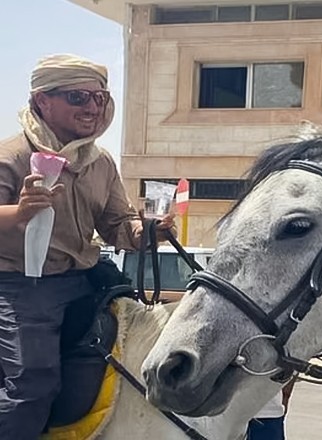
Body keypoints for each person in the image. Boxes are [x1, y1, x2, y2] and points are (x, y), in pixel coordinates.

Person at [0, 54, 174, 439]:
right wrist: (18, 214)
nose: (93, 107)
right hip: (19, 286)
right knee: (32, 385)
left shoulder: (99, 162)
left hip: (82, 280)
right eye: (79, 97)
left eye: (100, 98)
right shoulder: (11, 156)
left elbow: (116, 225)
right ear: (42, 100)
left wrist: (148, 231)